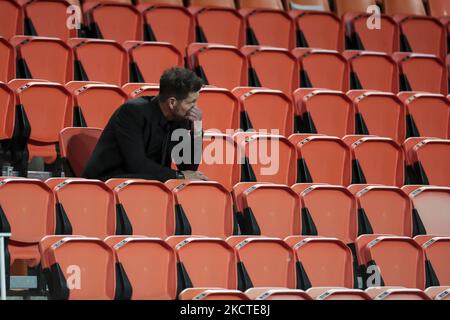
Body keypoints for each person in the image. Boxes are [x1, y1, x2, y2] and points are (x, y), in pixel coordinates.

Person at [82, 67, 208, 182]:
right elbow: (136, 164)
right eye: (191, 102)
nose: (195, 108)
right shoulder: (131, 113)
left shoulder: (181, 118)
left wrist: (196, 131)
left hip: (146, 183)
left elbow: (188, 167)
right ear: (172, 103)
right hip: (108, 181)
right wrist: (178, 176)